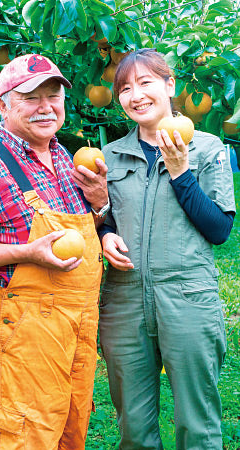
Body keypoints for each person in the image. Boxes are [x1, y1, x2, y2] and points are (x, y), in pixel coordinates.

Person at [0, 53, 109, 449]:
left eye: (54, 96)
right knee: (22, 436)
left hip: (77, 325)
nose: (46, 107)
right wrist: (28, 253)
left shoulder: (65, 157)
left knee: (70, 428)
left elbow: (77, 235)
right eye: (31, 97)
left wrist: (99, 206)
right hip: (24, 332)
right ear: (4, 104)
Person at [99, 48, 236, 450]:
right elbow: (108, 217)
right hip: (124, 302)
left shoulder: (207, 149)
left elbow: (219, 229)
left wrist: (180, 172)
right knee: (134, 428)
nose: (135, 95)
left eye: (145, 83)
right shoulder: (110, 156)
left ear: (169, 85)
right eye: (124, 88)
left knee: (197, 423)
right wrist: (105, 233)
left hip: (188, 297)